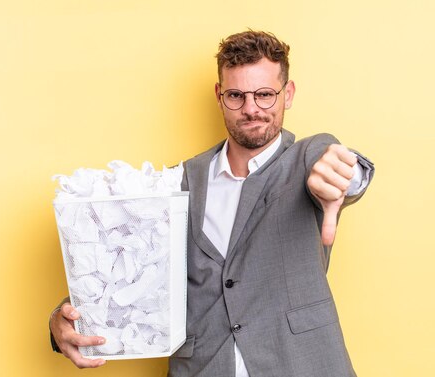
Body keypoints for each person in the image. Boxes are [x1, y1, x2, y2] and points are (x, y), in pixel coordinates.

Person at [49, 30, 374, 377]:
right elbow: (125, 267)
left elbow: (339, 168)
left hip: (300, 364)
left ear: (287, 94)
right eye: (236, 95)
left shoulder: (307, 159)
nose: (251, 109)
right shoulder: (179, 181)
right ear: (219, 96)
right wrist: (65, 318)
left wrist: (343, 175)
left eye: (265, 95)